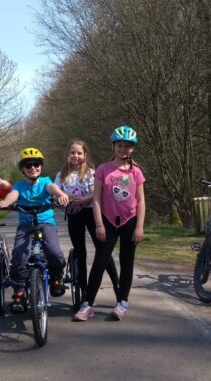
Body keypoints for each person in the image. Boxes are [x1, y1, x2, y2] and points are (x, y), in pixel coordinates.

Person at [74, 126, 146, 321]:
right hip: (107, 221)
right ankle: (87, 304)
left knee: (126, 261)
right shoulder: (103, 170)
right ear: (114, 146)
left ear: (133, 149)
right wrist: (99, 225)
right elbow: (96, 198)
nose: (123, 149)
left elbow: (141, 201)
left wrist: (139, 226)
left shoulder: (136, 172)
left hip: (129, 221)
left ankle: (122, 302)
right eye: (120, 145)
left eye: (128, 146)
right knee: (100, 262)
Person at [0, 147, 69, 313]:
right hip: (26, 224)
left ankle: (56, 276)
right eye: (28, 165)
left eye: (36, 164)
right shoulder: (19, 185)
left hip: (46, 222)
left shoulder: (45, 181)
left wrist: (60, 194)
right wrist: (6, 202)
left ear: (41, 166)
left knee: (53, 252)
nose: (32, 168)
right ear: (22, 169)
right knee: (18, 255)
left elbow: (53, 189)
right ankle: (19, 291)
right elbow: (13, 194)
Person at [54, 138, 120, 305]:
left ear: (84, 155)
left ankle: (117, 286)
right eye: (72, 153)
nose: (75, 156)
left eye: (79, 153)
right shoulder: (61, 175)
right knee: (80, 252)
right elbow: (56, 194)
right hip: (74, 215)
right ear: (67, 155)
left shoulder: (91, 173)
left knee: (102, 250)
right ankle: (84, 291)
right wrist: (65, 199)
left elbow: (95, 193)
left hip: (91, 213)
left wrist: (82, 201)